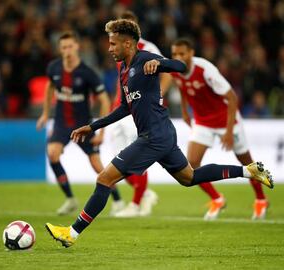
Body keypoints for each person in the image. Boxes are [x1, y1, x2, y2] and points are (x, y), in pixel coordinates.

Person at [45, 19, 273, 248]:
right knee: (189, 178)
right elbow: (125, 108)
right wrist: (93, 126)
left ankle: (71, 233)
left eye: (113, 44)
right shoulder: (124, 69)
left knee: (105, 178)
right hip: (162, 134)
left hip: (153, 137)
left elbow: (181, 67)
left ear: (128, 43)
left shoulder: (145, 58)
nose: (109, 48)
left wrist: (159, 63)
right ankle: (248, 170)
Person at [168, 38, 270, 220]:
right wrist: (185, 111)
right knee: (190, 166)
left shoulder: (206, 70)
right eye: (174, 54)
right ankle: (217, 198)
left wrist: (229, 132)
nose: (178, 57)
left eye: (181, 53)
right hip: (203, 122)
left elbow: (232, 98)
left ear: (191, 53)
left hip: (226, 121)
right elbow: (182, 87)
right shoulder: (175, 69)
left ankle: (261, 199)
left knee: (246, 162)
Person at [36, 31, 124, 216]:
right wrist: (45, 114)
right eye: (63, 47)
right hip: (61, 123)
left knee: (97, 166)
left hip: (83, 126)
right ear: (59, 49)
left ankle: (117, 201)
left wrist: (100, 131)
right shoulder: (54, 68)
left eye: (69, 46)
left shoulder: (87, 73)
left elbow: (105, 100)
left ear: (77, 47)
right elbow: (50, 87)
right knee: (52, 154)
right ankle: (70, 199)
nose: (66, 50)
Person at [110, 10, 168, 218]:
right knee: (118, 160)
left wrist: (155, 98)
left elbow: (167, 74)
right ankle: (146, 193)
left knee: (136, 157)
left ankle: (135, 204)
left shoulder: (148, 48)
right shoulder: (118, 48)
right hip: (121, 110)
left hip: (138, 112)